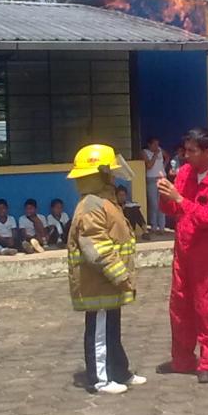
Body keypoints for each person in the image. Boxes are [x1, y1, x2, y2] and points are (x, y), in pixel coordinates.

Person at [157, 127, 208, 384]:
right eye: (186, 150)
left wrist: (180, 199)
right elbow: (171, 209)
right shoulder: (184, 173)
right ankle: (182, 359)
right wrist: (166, 192)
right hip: (183, 251)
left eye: (192, 151)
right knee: (180, 306)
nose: (186, 156)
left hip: (206, 255)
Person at [66, 143, 146, 395]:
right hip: (100, 283)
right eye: (109, 172)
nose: (113, 176)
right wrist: (121, 275)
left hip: (108, 284)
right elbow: (96, 249)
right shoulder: (91, 205)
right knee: (100, 332)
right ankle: (100, 380)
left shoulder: (103, 202)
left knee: (111, 330)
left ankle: (120, 371)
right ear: (99, 174)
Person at [143, 136, 168, 234]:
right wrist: (154, 155)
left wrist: (164, 166)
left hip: (162, 178)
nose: (157, 146)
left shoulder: (160, 150)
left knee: (162, 203)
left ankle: (162, 227)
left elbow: (167, 156)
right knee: (154, 204)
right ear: (149, 144)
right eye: (154, 144)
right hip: (151, 179)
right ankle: (154, 226)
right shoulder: (145, 152)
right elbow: (149, 165)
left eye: (158, 144)